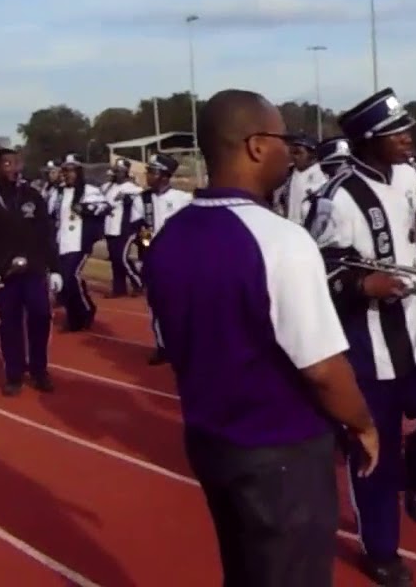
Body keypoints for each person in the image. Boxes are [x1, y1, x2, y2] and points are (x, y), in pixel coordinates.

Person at [144, 88, 377, 587]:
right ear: (254, 145)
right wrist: (363, 424)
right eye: (282, 138)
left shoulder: (170, 238)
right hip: (281, 453)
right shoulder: (280, 240)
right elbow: (322, 368)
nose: (289, 151)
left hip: (211, 444)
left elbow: (170, 340)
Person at [312, 89, 416, 585]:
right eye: (396, 133)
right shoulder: (336, 199)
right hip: (365, 339)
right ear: (368, 141)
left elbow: (411, 203)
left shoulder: (407, 174)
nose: (408, 139)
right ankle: (380, 548)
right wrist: (363, 284)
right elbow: (320, 270)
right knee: (372, 447)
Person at [0, 148, 59, 397]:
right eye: (7, 163)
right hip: (3, 274)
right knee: (10, 324)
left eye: (16, 163)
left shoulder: (32, 195)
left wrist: (55, 268)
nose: (12, 168)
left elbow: (46, 233)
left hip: (33, 270)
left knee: (41, 317)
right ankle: (14, 374)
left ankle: (39, 370)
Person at [134, 153, 193, 365]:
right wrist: (148, 247)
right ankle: (162, 346)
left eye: (153, 171)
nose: (149, 175)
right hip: (153, 260)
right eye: (149, 171)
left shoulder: (183, 199)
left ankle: (185, 345)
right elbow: (141, 228)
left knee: (180, 305)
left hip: (178, 260)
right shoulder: (142, 199)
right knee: (156, 305)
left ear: (165, 175)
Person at [49, 155, 109, 332]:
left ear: (79, 171)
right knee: (63, 282)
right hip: (61, 242)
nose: (68, 174)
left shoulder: (89, 190)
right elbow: (49, 214)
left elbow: (105, 207)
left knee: (70, 277)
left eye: (71, 170)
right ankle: (74, 315)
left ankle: (86, 310)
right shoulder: (57, 192)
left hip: (79, 242)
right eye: (65, 170)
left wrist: (86, 209)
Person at [101, 158, 144, 298]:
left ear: (126, 172)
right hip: (110, 228)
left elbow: (140, 201)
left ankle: (139, 282)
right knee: (115, 259)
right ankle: (119, 288)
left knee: (122, 258)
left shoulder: (132, 188)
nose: (117, 174)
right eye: (115, 171)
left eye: (120, 171)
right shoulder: (108, 187)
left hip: (124, 228)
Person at [279, 136, 327, 226]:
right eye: (292, 153)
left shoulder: (323, 176)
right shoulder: (287, 174)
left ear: (312, 155)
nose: (294, 157)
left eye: (298, 153)